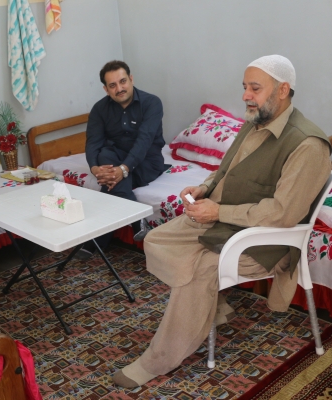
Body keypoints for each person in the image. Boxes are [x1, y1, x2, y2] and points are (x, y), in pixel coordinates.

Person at [112, 55, 332, 388]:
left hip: (266, 239)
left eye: (255, 88)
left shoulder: (308, 144)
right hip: (226, 219)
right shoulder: (254, 121)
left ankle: (158, 359)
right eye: (245, 87)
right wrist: (204, 189)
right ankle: (212, 305)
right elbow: (225, 171)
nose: (246, 95)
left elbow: (283, 213)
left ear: (283, 90)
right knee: (156, 239)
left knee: (198, 267)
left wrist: (217, 213)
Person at [77, 60, 167, 259]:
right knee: (103, 155)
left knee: (110, 180)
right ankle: (137, 218)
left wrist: (124, 169)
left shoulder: (152, 103)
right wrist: (95, 169)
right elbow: (93, 142)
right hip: (115, 157)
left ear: (131, 79)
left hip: (147, 162)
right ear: (106, 89)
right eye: (112, 85)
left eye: (123, 81)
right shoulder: (99, 109)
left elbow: (144, 141)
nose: (119, 88)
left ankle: (95, 241)